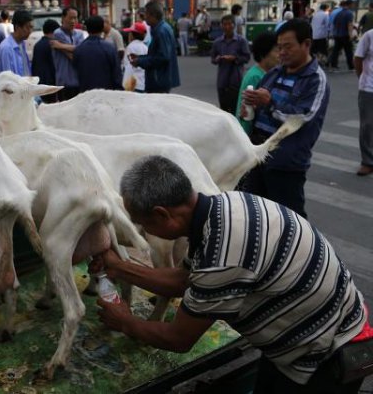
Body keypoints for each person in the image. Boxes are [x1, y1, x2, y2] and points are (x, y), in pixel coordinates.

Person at [94, 155, 368, 394]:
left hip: (325, 354)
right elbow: (182, 281)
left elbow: (178, 339)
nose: (143, 232)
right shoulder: (224, 207)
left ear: (162, 214)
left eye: (143, 224)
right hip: (313, 334)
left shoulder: (223, 256)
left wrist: (126, 322)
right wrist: (118, 266)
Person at [242, 19, 330, 218]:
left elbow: (302, 116)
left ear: (306, 44)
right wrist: (250, 107)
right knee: (256, 215)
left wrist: (269, 102)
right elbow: (260, 108)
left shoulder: (315, 79)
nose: (282, 52)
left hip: (285, 163)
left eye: (288, 47)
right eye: (279, 47)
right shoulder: (274, 73)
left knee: (291, 220)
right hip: (259, 157)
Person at [128, 1, 180, 94]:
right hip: (160, 78)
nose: (145, 17)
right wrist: (140, 58)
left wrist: (140, 61)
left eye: (146, 14)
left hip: (159, 80)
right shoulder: (161, 28)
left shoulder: (161, 31)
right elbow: (157, 54)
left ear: (153, 15)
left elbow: (163, 57)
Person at [236, 32, 279, 135]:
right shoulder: (256, 76)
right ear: (263, 54)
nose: (280, 55)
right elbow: (247, 111)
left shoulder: (267, 73)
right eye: (276, 50)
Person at [210, 14, 251, 114]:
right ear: (221, 26)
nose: (227, 27)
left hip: (236, 80)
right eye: (224, 24)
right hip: (222, 81)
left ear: (234, 25)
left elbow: (247, 58)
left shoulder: (241, 41)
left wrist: (235, 59)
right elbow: (212, 59)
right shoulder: (217, 42)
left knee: (235, 110)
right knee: (223, 110)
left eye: (229, 24)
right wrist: (218, 59)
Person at [73, 15, 122, 92]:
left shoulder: (79, 49)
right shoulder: (109, 48)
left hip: (85, 93)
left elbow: (75, 70)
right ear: (102, 28)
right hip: (106, 92)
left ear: (86, 28)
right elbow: (117, 73)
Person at [51, 7, 85, 101]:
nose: (73, 21)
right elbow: (74, 57)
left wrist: (61, 46)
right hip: (64, 82)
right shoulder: (58, 33)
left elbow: (81, 51)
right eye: (70, 18)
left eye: (75, 18)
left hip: (78, 81)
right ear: (63, 18)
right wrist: (77, 50)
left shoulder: (79, 34)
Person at [355, 29, 373, 176]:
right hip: (369, 88)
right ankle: (367, 161)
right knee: (367, 125)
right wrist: (362, 77)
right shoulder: (369, 35)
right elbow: (358, 58)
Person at [0, 10, 33, 76]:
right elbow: (8, 81)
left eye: (31, 27)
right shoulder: (6, 48)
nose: (30, 31)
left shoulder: (22, 44)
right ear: (17, 27)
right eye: (27, 27)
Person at [32, 19, 60, 103]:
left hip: (39, 82)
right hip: (50, 83)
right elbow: (54, 65)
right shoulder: (52, 45)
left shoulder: (37, 44)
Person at [329, 0, 355, 72]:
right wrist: (350, 35)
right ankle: (351, 67)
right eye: (352, 4)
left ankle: (333, 66)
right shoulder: (349, 13)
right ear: (350, 5)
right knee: (349, 51)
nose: (353, 5)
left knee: (335, 51)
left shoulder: (339, 13)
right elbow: (349, 24)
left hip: (337, 35)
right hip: (345, 35)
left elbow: (334, 23)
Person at [122, 22, 148, 92]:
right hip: (143, 83)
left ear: (132, 35)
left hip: (132, 84)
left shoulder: (130, 47)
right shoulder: (145, 47)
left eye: (130, 33)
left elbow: (127, 66)